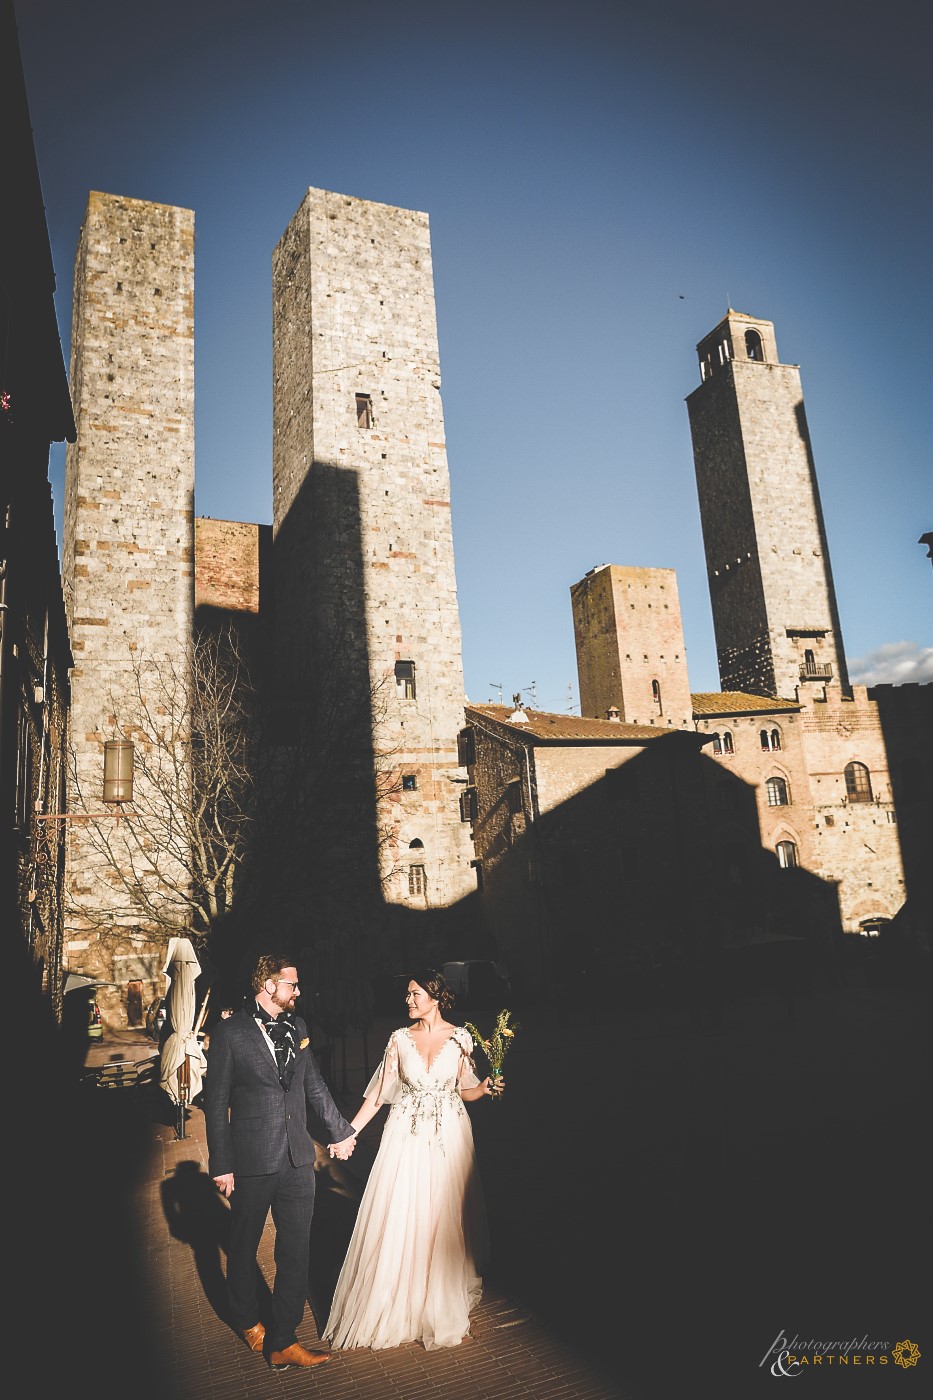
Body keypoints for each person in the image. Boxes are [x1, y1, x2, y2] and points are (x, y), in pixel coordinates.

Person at [322, 966, 503, 1351]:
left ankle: (438, 1297)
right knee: (406, 1211)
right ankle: (402, 1296)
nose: (408, 1000)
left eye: (415, 994)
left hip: (449, 1137)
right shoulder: (398, 1040)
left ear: (436, 998)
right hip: (405, 1136)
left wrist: (485, 1087)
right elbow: (377, 1096)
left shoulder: (460, 1039)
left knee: (444, 1213)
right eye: (407, 994)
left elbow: (465, 1088)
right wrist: (348, 1132)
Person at [204, 953, 358, 1371]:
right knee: (243, 1246)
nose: (298, 990)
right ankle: (246, 1317)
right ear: (269, 985)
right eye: (292, 984)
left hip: (297, 1158)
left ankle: (284, 1338)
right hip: (251, 1160)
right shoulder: (230, 1033)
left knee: (296, 1249)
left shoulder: (299, 1027)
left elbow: (314, 1084)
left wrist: (340, 1130)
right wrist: (221, 1162)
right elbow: (216, 1104)